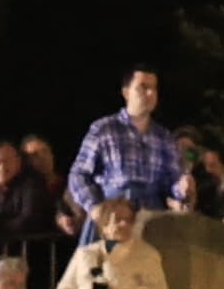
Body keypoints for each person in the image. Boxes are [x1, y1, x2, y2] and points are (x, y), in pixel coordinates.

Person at [67, 67, 185, 216]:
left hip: (152, 218)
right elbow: (78, 174)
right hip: (112, 214)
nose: (150, 93)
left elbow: (173, 180)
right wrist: (94, 207)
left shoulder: (164, 137)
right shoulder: (104, 129)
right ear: (126, 92)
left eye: (154, 88)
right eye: (143, 87)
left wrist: (182, 188)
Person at [51, 194, 170, 289]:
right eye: (118, 219)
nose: (124, 224)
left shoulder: (147, 253)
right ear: (104, 226)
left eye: (128, 220)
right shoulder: (85, 253)